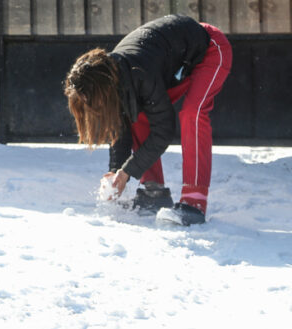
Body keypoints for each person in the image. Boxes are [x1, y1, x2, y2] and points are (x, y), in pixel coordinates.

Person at [63, 14, 232, 226]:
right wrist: (116, 171)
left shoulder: (140, 73)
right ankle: (154, 193)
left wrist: (128, 171)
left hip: (210, 48)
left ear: (101, 88)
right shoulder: (115, 78)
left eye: (90, 100)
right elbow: (122, 127)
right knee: (138, 116)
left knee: (193, 113)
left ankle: (194, 203)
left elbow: (164, 130)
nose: (90, 106)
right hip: (177, 58)